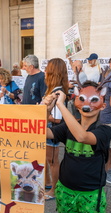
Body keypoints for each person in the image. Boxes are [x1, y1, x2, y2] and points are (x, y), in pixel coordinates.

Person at [43, 80, 111, 213]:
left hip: (91, 195)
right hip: (65, 191)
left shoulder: (105, 130)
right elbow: (45, 132)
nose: (87, 104)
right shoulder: (68, 125)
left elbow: (83, 136)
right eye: (82, 99)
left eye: (94, 100)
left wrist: (61, 106)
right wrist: (46, 109)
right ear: (76, 101)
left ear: (103, 105)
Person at [43, 58, 69, 201]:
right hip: (50, 131)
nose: (45, 72)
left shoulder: (57, 92)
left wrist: (41, 112)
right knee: (50, 161)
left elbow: (58, 119)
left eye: (47, 69)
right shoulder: (56, 89)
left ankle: (54, 190)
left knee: (53, 161)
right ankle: (51, 186)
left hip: (52, 131)